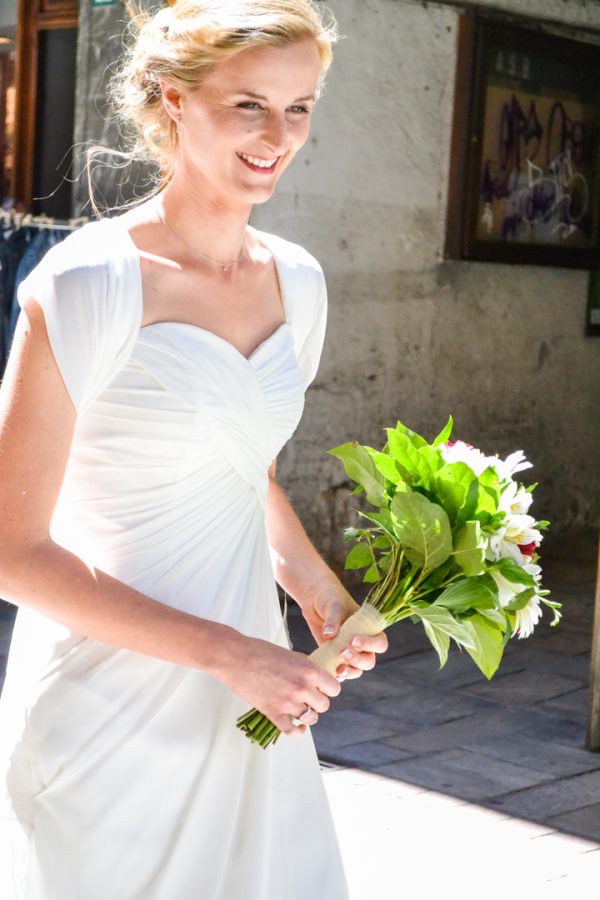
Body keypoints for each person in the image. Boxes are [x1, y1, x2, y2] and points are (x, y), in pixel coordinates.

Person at [0, 2, 388, 897]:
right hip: (111, 708)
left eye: (298, 107)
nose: (277, 135)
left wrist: (317, 589)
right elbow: (12, 552)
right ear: (175, 99)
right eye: (248, 104)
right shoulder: (90, 280)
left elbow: (238, 468)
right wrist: (232, 655)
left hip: (253, 696)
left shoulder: (299, 282)